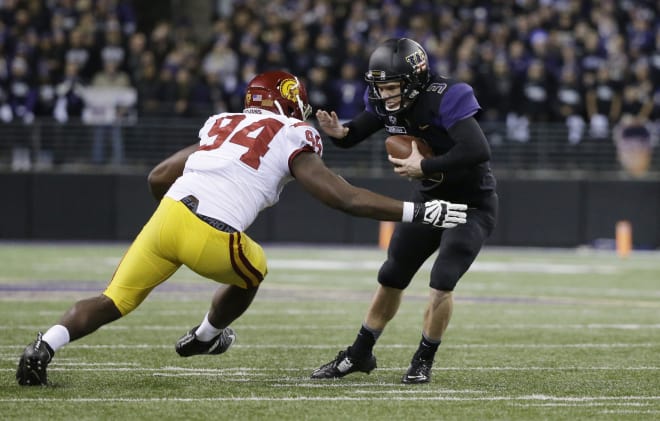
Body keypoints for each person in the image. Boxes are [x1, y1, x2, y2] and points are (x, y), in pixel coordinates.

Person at [16, 70, 469, 386]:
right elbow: (342, 197)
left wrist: (173, 223)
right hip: (212, 230)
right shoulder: (295, 133)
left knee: (112, 299)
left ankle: (43, 347)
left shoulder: (221, 123)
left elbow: (158, 176)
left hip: (166, 216)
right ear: (291, 100)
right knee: (254, 269)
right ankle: (208, 336)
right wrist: (417, 212)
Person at [311, 38, 498, 384]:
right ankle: (359, 353)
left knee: (442, 279)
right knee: (392, 275)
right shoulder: (385, 102)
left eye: (393, 87)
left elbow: (477, 149)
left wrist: (425, 168)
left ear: (415, 80)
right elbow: (356, 133)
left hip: (470, 204)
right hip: (429, 201)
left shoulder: (446, 95)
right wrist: (340, 133)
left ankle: (422, 359)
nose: (385, 95)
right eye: (380, 88)